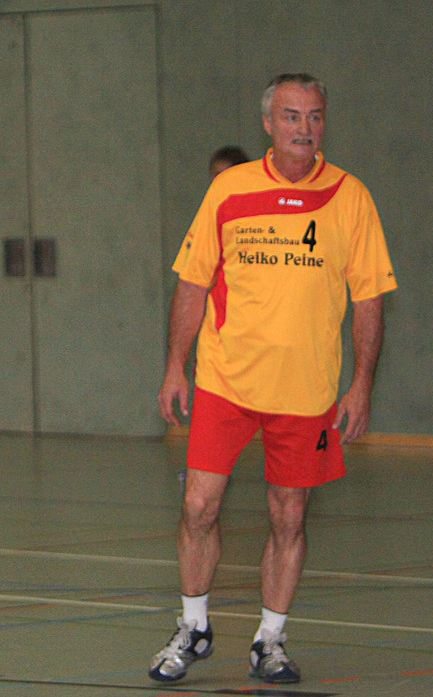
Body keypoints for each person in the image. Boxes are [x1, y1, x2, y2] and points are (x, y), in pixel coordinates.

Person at [149, 73, 396, 685]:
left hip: (306, 393)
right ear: (267, 123)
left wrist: (362, 384)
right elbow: (193, 282)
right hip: (226, 383)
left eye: (314, 117)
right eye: (291, 116)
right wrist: (176, 365)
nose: (304, 129)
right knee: (198, 505)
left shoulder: (350, 197)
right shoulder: (229, 189)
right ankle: (193, 627)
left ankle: (271, 640)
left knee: (289, 517)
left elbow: (369, 299)